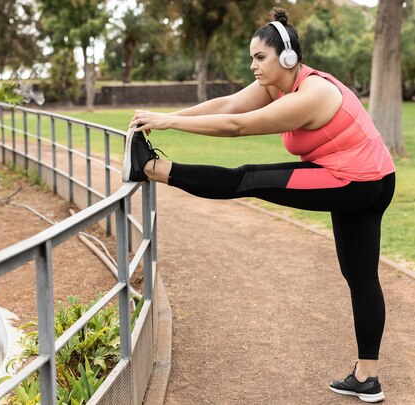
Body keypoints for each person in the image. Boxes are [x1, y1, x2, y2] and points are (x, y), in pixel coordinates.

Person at [122, 7, 395, 403]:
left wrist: (169, 123)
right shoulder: (279, 85)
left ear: (287, 57)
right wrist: (169, 116)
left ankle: (149, 167)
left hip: (356, 181)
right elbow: (230, 107)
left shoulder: (313, 93)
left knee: (246, 177)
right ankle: (367, 378)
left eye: (259, 57)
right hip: (373, 177)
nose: (252, 65)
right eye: (251, 57)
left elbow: (238, 127)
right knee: (359, 275)